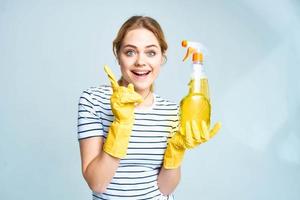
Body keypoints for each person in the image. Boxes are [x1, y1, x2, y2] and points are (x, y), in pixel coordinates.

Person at [77, 15, 220, 200]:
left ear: (162, 58)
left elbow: (166, 189)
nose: (140, 62)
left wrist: (176, 150)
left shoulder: (171, 111)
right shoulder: (94, 100)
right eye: (130, 52)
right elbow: (97, 183)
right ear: (118, 55)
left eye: (151, 52)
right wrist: (122, 125)